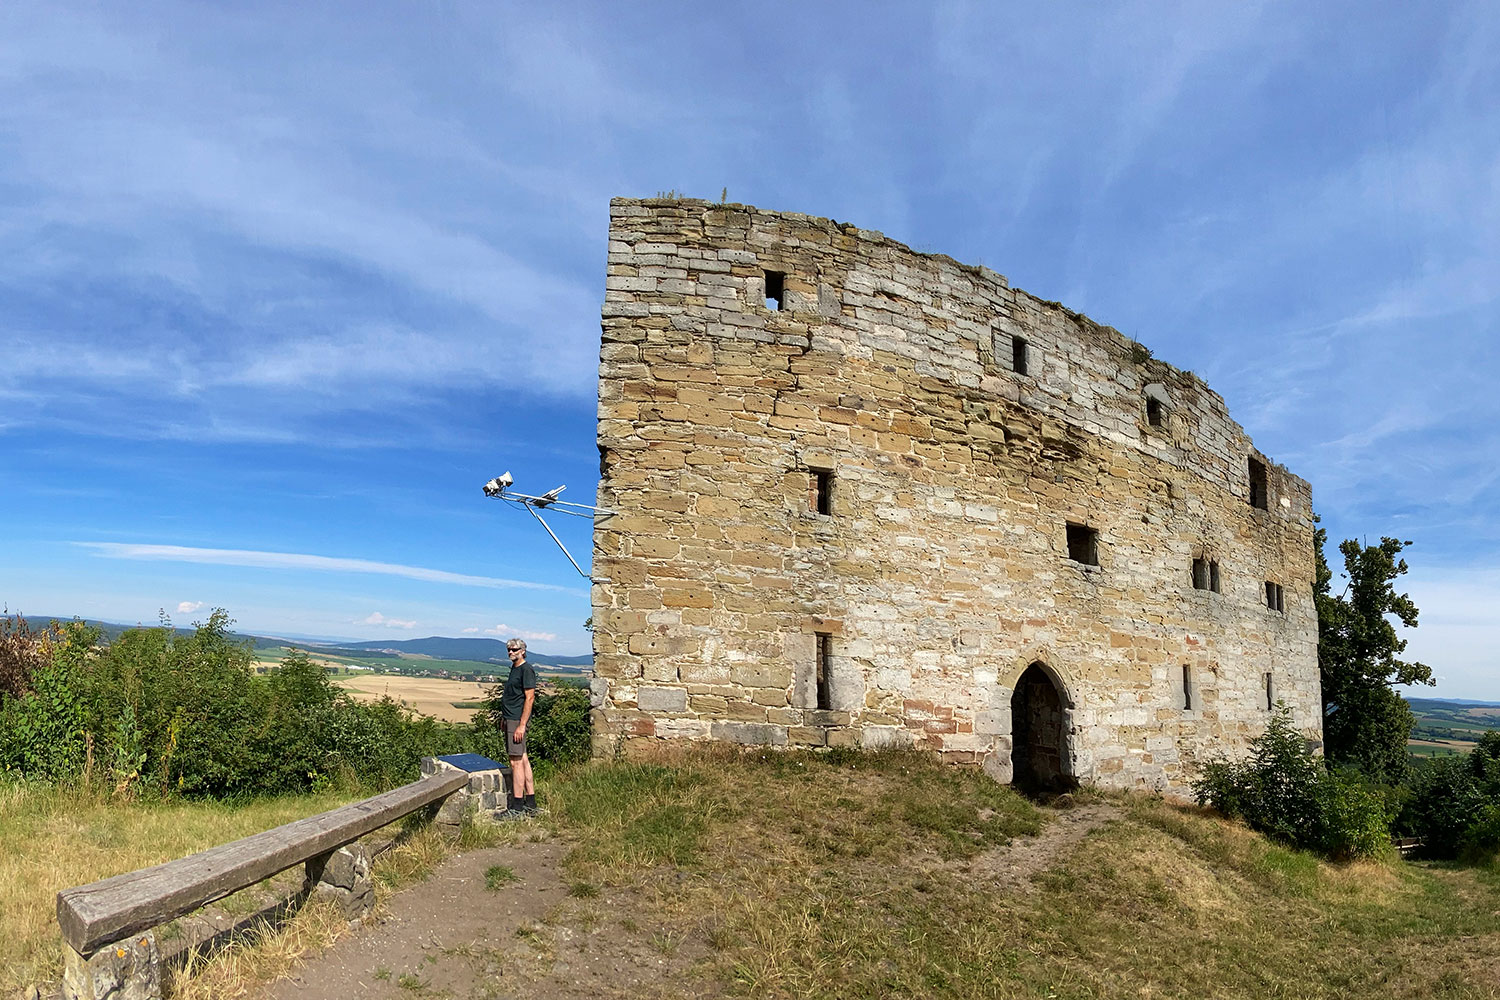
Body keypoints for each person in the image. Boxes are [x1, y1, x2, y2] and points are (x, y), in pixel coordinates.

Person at [501, 638, 539, 816]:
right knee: (523, 759)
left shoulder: (526, 669)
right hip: (511, 720)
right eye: (509, 649)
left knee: (515, 762)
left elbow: (529, 698)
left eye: (514, 649)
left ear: (523, 651)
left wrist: (521, 725)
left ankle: (517, 807)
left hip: (517, 721)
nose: (510, 652)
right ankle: (530, 802)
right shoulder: (515, 668)